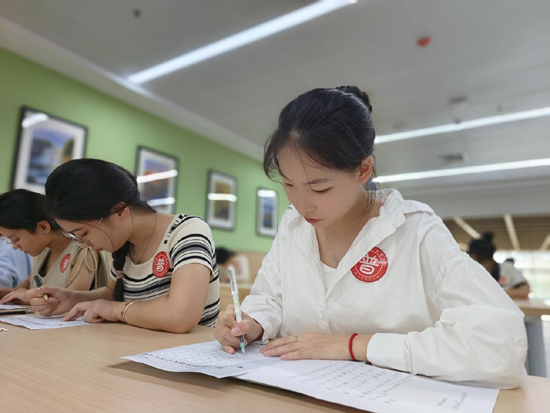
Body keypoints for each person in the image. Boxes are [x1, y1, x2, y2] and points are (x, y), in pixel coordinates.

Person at [214, 86, 527, 388]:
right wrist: (252, 322)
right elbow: (271, 298)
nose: (302, 204)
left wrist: (352, 345)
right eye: (289, 185)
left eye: (320, 188)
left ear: (363, 170)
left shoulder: (415, 231)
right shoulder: (293, 225)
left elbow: (500, 345)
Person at [30, 159, 220, 333]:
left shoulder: (187, 231)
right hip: (139, 348)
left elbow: (180, 316)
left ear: (119, 211)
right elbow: (114, 294)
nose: (83, 244)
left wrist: (116, 310)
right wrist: (72, 299)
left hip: (190, 352)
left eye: (84, 234)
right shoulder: (124, 244)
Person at [0, 189, 110, 304]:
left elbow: (69, 300)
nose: (14, 247)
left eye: (16, 239)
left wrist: (29, 296)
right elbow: (28, 284)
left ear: (43, 227)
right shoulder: (42, 250)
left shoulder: (85, 249)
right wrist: (7, 294)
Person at [468, 232, 530, 299]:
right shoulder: (470, 272)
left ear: (490, 259)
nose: (478, 266)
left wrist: (490, 293)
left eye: (480, 262)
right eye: (473, 262)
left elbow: (524, 292)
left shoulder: (508, 268)